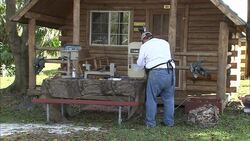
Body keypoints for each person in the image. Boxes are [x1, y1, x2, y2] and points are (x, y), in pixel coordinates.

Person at [137, 32, 176, 128]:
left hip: (156, 73)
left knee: (151, 98)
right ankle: (169, 122)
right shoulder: (164, 42)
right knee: (169, 98)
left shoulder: (145, 46)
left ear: (144, 39)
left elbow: (140, 64)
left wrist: (144, 63)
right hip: (170, 71)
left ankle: (150, 123)